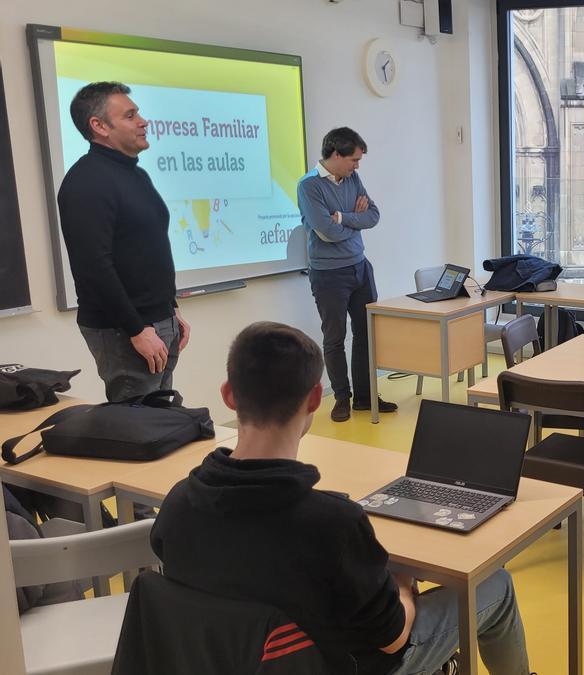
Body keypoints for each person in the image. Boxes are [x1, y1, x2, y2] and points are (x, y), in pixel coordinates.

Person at [150, 322, 532, 675]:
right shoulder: (331, 523)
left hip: (238, 664)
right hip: (346, 665)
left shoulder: (178, 505)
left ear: (229, 395)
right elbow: (393, 638)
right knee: (496, 585)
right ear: (315, 398)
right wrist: (399, 581)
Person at [57, 82, 190, 403]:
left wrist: (170, 310)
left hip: (157, 321)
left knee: (162, 419)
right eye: (130, 115)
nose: (143, 121)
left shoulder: (135, 175)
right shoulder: (86, 182)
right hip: (124, 329)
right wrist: (135, 329)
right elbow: (93, 267)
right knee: (137, 428)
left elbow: (145, 249)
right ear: (99, 126)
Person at [298, 127, 396, 422]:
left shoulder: (352, 178)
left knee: (366, 334)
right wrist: (353, 220)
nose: (357, 166)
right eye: (354, 159)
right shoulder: (309, 186)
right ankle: (342, 398)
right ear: (336, 155)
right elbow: (326, 233)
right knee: (335, 338)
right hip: (329, 274)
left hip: (360, 268)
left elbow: (374, 216)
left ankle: (366, 397)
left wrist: (342, 217)